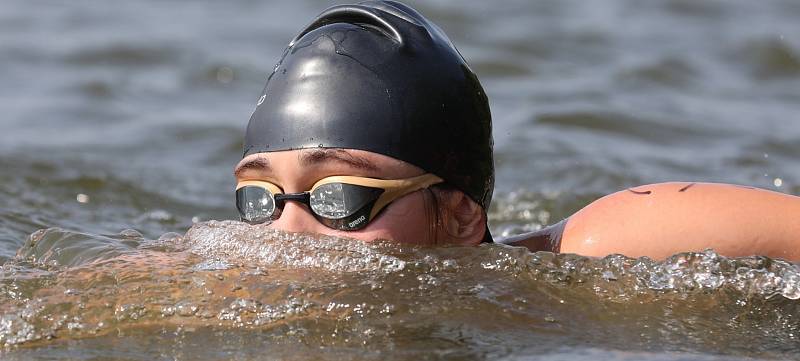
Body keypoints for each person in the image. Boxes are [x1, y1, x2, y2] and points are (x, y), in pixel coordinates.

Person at [234, 1, 800, 261]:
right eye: (260, 200)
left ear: (460, 217)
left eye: (340, 197)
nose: (286, 234)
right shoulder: (223, 276)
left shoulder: (602, 251)